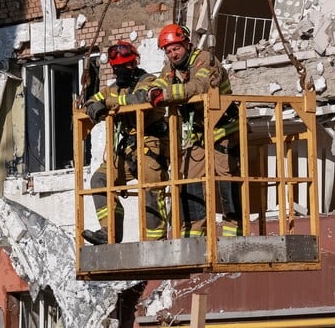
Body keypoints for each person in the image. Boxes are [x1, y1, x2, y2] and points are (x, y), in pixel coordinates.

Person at [148, 23, 242, 238]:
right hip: (199, 133)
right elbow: (160, 83)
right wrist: (152, 90)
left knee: (227, 178)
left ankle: (234, 230)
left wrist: (166, 95)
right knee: (189, 179)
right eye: (169, 51)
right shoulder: (171, 69)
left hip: (224, 129)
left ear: (187, 44)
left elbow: (199, 86)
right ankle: (194, 232)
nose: (173, 54)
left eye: (176, 48)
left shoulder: (206, 60)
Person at [82, 40, 169, 245]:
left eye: (126, 66)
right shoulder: (113, 89)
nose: (122, 70)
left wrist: (107, 104)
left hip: (152, 142)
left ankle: (155, 240)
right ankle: (109, 231)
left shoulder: (149, 81)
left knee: (151, 184)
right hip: (128, 147)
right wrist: (94, 105)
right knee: (99, 181)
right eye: (118, 68)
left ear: (134, 63)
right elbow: (91, 101)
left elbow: (140, 99)